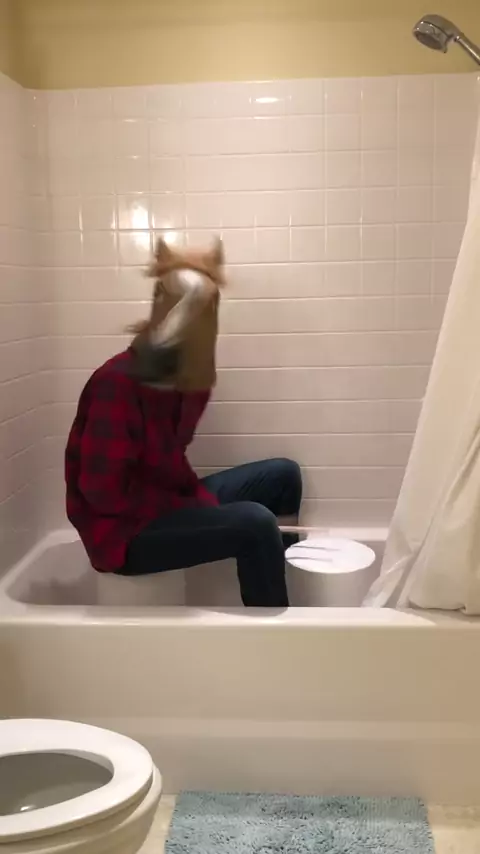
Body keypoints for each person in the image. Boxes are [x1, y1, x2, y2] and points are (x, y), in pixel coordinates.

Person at [65, 237, 302, 607]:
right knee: (255, 522)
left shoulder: (188, 382)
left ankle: (276, 582)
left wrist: (189, 502)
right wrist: (187, 508)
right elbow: (101, 493)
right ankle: (273, 629)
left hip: (168, 501)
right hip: (122, 534)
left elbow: (169, 458)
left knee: (283, 476)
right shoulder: (117, 383)